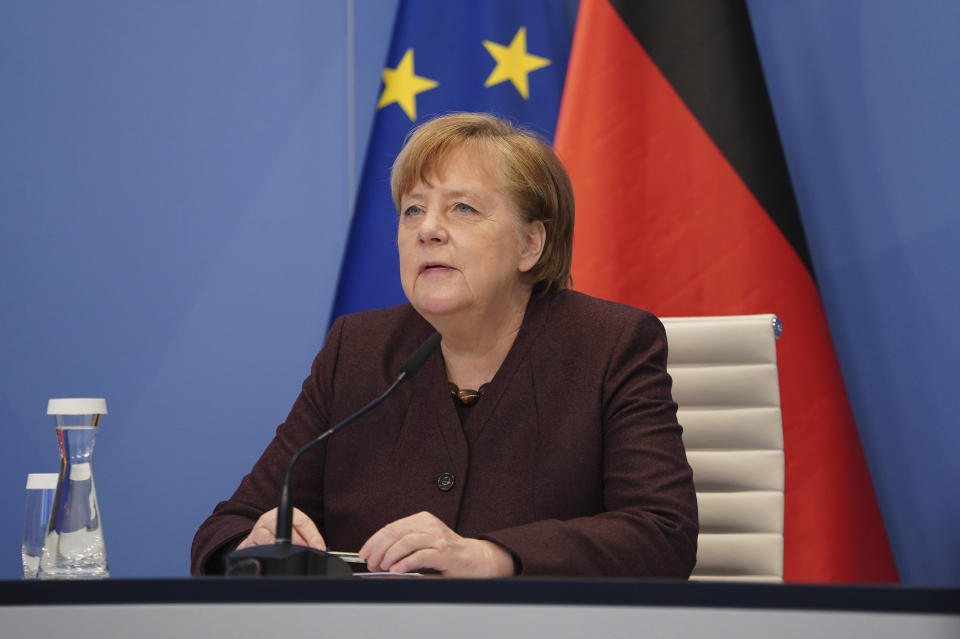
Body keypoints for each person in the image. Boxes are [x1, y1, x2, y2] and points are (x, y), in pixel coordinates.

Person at [191, 113, 698, 578]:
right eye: (413, 210)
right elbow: (226, 528)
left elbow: (662, 534)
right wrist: (251, 544)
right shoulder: (359, 351)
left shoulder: (609, 346)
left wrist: (489, 557)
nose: (428, 230)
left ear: (530, 245)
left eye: (462, 208)